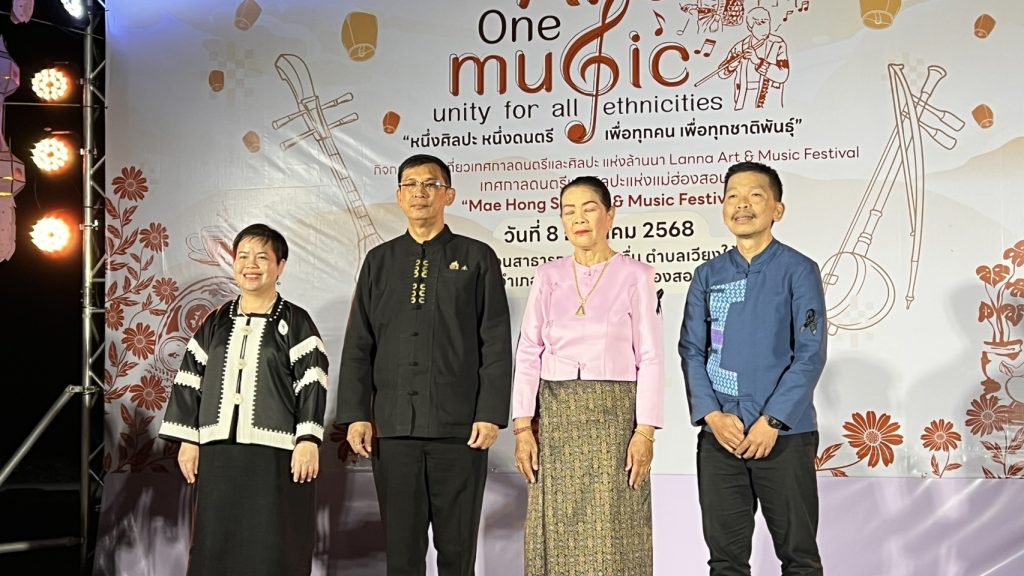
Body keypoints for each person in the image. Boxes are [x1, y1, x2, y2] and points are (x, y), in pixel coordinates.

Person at [336, 153, 513, 576]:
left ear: (448, 194)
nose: (420, 192)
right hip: (394, 430)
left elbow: (495, 341)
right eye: (410, 184)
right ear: (399, 196)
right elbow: (359, 343)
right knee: (402, 553)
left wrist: (490, 414)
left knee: (457, 551)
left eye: (430, 184)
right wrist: (357, 414)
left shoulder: (477, 257)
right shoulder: (379, 261)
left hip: (460, 431)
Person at [511, 176, 664, 576]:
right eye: (569, 211)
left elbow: (650, 357)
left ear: (610, 214)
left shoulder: (637, 275)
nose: (578, 218)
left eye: (589, 208)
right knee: (556, 528)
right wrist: (523, 427)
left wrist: (645, 432)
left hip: (615, 419)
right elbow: (528, 351)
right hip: (556, 417)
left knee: (614, 530)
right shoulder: (548, 275)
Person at [679, 161, 826, 575]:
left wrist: (772, 421)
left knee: (799, 558)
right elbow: (691, 350)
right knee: (725, 562)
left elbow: (810, 352)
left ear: (777, 209)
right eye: (733, 196)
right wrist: (712, 416)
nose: (742, 205)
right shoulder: (707, 275)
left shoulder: (799, 270)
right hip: (720, 438)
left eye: (755, 196)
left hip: (784, 437)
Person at [159, 223, 329, 576]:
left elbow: (313, 380)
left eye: (262, 257)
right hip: (219, 454)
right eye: (243, 256)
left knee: (273, 543)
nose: (251, 265)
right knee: (215, 542)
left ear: (280, 266)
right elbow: (189, 379)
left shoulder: (296, 321)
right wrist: (189, 439)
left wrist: (308, 440)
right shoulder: (215, 321)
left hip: (276, 455)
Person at [717, 7, 790, 110]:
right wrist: (732, 65)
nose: (765, 27)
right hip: (744, 97)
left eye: (766, 22)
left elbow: (783, 75)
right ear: (750, 27)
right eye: (759, 23)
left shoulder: (778, 43)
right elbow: (721, 73)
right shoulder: (741, 46)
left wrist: (758, 61)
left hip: (769, 101)